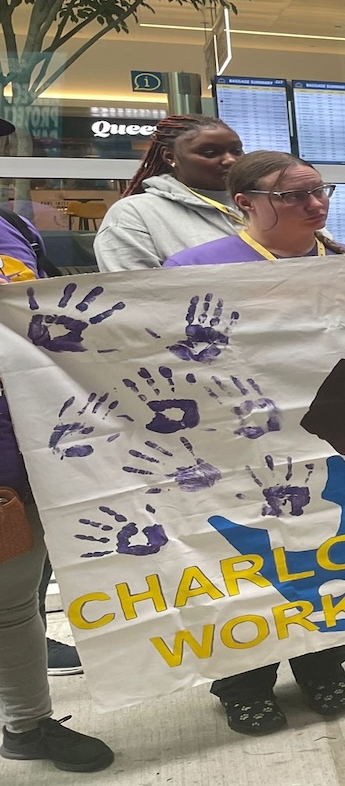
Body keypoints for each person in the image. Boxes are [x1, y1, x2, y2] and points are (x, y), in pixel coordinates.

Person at [164, 151, 345, 735]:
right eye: (293, 195)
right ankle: (242, 680)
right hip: (234, 447)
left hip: (328, 444)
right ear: (245, 203)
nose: (315, 204)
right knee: (244, 560)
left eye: (320, 190)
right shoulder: (191, 267)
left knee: (322, 547)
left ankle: (321, 660)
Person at [0, 115, 115, 773]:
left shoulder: (12, 227)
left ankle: (27, 724)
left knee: (15, 599)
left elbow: (53, 312)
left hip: (31, 441)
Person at [95, 115, 246, 271]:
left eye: (236, 151)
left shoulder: (261, 202)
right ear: (169, 156)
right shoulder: (132, 213)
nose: (230, 160)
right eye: (210, 153)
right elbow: (133, 289)